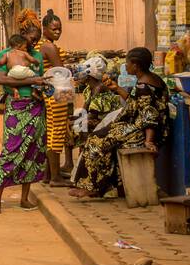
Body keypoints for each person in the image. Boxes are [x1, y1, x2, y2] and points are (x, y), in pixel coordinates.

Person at [70, 47, 171, 200]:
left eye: (128, 63)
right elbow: (135, 103)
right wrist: (117, 89)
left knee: (96, 141)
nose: (125, 66)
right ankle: (101, 186)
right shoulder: (150, 79)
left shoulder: (144, 86)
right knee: (101, 135)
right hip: (139, 126)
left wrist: (149, 141)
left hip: (144, 131)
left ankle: (91, 186)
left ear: (136, 65)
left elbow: (150, 116)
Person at [0, 9, 48, 214]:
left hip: (35, 107)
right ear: (23, 36)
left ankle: (24, 198)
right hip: (15, 107)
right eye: (33, 38)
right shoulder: (4, 55)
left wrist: (42, 87)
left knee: (33, 152)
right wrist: (33, 80)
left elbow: (41, 80)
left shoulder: (37, 56)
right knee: (10, 150)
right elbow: (2, 79)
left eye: (38, 39)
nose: (35, 42)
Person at [39, 10, 74, 188]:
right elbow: (62, 72)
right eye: (54, 29)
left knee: (52, 132)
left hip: (49, 92)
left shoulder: (41, 45)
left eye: (59, 29)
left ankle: (49, 175)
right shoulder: (49, 47)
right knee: (57, 133)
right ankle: (55, 178)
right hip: (57, 92)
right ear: (44, 28)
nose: (58, 32)